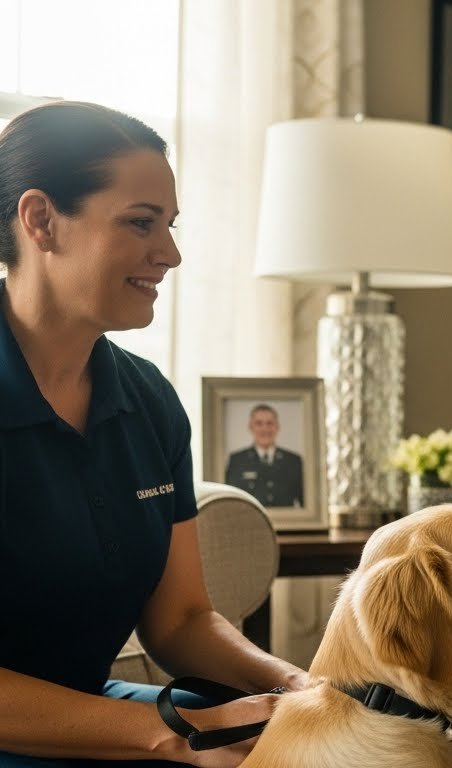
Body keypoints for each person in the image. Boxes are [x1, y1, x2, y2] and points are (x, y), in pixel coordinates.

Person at [0, 101, 309, 767]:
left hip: (96, 710)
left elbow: (180, 621)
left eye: (169, 225)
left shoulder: (149, 401)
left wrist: (294, 687)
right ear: (41, 220)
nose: (170, 254)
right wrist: (172, 734)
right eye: (141, 223)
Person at [223, 404, 305, 508]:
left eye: (269, 423)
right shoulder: (237, 461)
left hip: (286, 518)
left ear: (277, 427)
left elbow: (305, 503)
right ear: (251, 427)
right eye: (259, 423)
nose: (265, 429)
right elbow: (231, 500)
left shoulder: (293, 461)